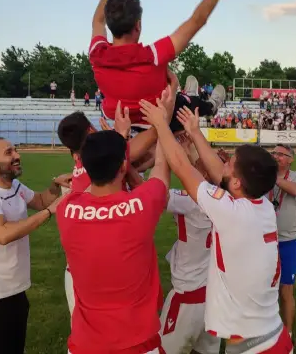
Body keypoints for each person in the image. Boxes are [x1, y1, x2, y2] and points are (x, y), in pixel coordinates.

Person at [140, 100, 293, 353]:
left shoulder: (231, 212)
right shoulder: (261, 203)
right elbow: (217, 172)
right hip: (271, 338)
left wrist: (161, 124)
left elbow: (182, 167)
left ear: (236, 183)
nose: (223, 162)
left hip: (254, 347)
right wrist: (195, 132)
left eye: (230, 162)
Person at [88, 0, 240, 125]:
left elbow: (97, 21)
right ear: (138, 25)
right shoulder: (153, 56)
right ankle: (209, 106)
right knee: (184, 104)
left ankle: (190, 97)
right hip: (159, 120)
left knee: (179, 100)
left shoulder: (97, 54)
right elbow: (198, 20)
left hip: (120, 120)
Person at [56, 130, 170, 353]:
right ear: (123, 167)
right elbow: (160, 170)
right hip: (137, 343)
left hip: (84, 345)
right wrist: (161, 123)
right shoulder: (142, 205)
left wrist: (119, 136)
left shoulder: (66, 209)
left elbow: (87, 187)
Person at [0, 138, 70, 354]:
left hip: (15, 292)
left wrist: (54, 186)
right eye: (9, 152)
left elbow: (41, 200)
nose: (17, 155)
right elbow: (2, 234)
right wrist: (49, 213)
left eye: (16, 150)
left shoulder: (15, 187)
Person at [56, 102, 157, 316]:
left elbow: (136, 162)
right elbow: (150, 139)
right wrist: (161, 120)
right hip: (107, 272)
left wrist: (120, 138)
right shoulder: (101, 160)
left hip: (83, 270)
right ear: (91, 130)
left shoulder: (84, 169)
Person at [159, 140, 226, 354]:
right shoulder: (228, 199)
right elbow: (198, 169)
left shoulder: (190, 200)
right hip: (213, 296)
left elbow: (152, 192)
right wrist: (189, 148)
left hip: (188, 297)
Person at [268, 145, 296, 337]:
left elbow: (294, 190)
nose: (275, 157)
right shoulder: (263, 176)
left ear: (290, 159)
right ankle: (265, 330)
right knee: (263, 288)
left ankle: (288, 333)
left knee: (286, 290)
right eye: (273, 153)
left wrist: (270, 177)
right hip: (264, 240)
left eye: (280, 154)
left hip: (288, 240)